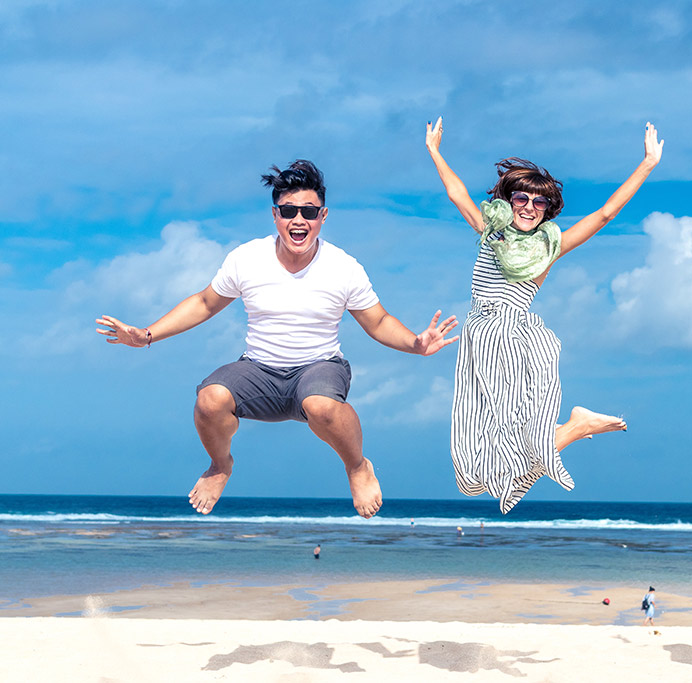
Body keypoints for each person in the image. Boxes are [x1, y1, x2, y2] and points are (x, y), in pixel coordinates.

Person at [97, 160, 458, 519]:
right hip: (258, 371)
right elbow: (205, 303)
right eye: (289, 211)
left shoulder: (344, 267)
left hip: (320, 368)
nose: (298, 220)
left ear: (323, 216)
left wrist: (416, 343)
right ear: (275, 215)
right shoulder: (247, 259)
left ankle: (357, 467)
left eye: (309, 212)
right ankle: (220, 466)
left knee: (321, 405)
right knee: (210, 400)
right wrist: (146, 335)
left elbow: (377, 321)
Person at [425, 117, 663, 513]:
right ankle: (574, 426)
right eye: (522, 199)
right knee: (472, 470)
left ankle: (574, 427)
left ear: (548, 208)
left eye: (540, 202)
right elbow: (456, 193)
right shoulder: (491, 230)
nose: (530, 208)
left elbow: (604, 215)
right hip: (479, 337)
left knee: (505, 452)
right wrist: (434, 151)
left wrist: (647, 165)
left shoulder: (550, 246)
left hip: (512, 337)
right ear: (508, 200)